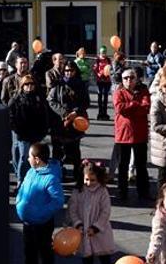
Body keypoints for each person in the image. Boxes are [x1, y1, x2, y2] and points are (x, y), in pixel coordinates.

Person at [16, 143, 64, 264]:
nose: (27, 159)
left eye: (29, 156)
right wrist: (19, 201)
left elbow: (58, 201)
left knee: (44, 251)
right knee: (29, 251)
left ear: (36, 159)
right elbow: (23, 188)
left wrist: (41, 213)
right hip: (28, 222)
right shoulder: (31, 172)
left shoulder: (50, 178)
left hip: (42, 223)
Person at [66, 161, 116, 264]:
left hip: (100, 233)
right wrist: (78, 224)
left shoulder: (102, 191)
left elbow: (105, 212)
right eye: (87, 179)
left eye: (92, 180)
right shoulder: (78, 191)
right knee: (86, 260)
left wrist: (96, 227)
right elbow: (73, 209)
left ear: (99, 178)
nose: (89, 182)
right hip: (83, 232)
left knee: (105, 261)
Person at [48, 60, 90, 188]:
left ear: (75, 71)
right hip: (59, 123)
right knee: (57, 152)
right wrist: (64, 113)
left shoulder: (81, 85)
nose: (68, 73)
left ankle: (78, 177)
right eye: (66, 70)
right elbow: (51, 100)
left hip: (75, 123)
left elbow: (85, 102)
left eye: (71, 70)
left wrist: (75, 112)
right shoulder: (58, 84)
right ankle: (57, 176)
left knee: (75, 151)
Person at [114, 68, 152, 201]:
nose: (129, 80)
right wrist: (135, 104)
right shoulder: (118, 92)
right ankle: (122, 192)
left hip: (139, 134)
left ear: (136, 79)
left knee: (141, 166)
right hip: (123, 134)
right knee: (122, 166)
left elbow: (146, 107)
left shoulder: (143, 91)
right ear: (122, 80)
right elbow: (120, 108)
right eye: (125, 78)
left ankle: (143, 192)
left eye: (131, 77)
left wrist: (130, 107)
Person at [8, 75, 51, 184]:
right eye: (26, 84)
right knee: (23, 157)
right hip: (22, 134)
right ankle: (21, 180)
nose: (29, 86)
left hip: (36, 133)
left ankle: (32, 179)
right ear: (22, 86)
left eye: (32, 84)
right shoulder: (16, 99)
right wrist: (17, 130)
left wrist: (44, 131)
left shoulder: (39, 98)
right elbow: (10, 117)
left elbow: (45, 115)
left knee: (35, 158)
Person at [93, 46, 113, 120]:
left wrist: (108, 73)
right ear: (100, 52)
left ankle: (105, 113)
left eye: (104, 52)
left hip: (107, 81)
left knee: (105, 97)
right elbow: (95, 69)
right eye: (102, 52)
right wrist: (99, 74)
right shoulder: (97, 60)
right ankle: (100, 113)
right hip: (100, 81)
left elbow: (111, 68)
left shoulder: (108, 60)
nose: (103, 54)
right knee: (100, 96)